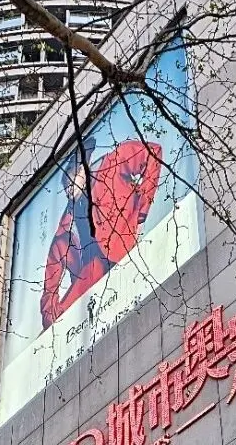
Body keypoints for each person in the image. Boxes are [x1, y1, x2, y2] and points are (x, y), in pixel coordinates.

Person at [40, 136, 163, 328]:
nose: (68, 190)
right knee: (63, 317)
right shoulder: (65, 229)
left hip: (123, 247)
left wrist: (141, 212)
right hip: (92, 276)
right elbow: (50, 282)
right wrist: (49, 315)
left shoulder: (111, 164)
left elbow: (152, 152)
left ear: (83, 169)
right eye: (65, 187)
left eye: (71, 181)